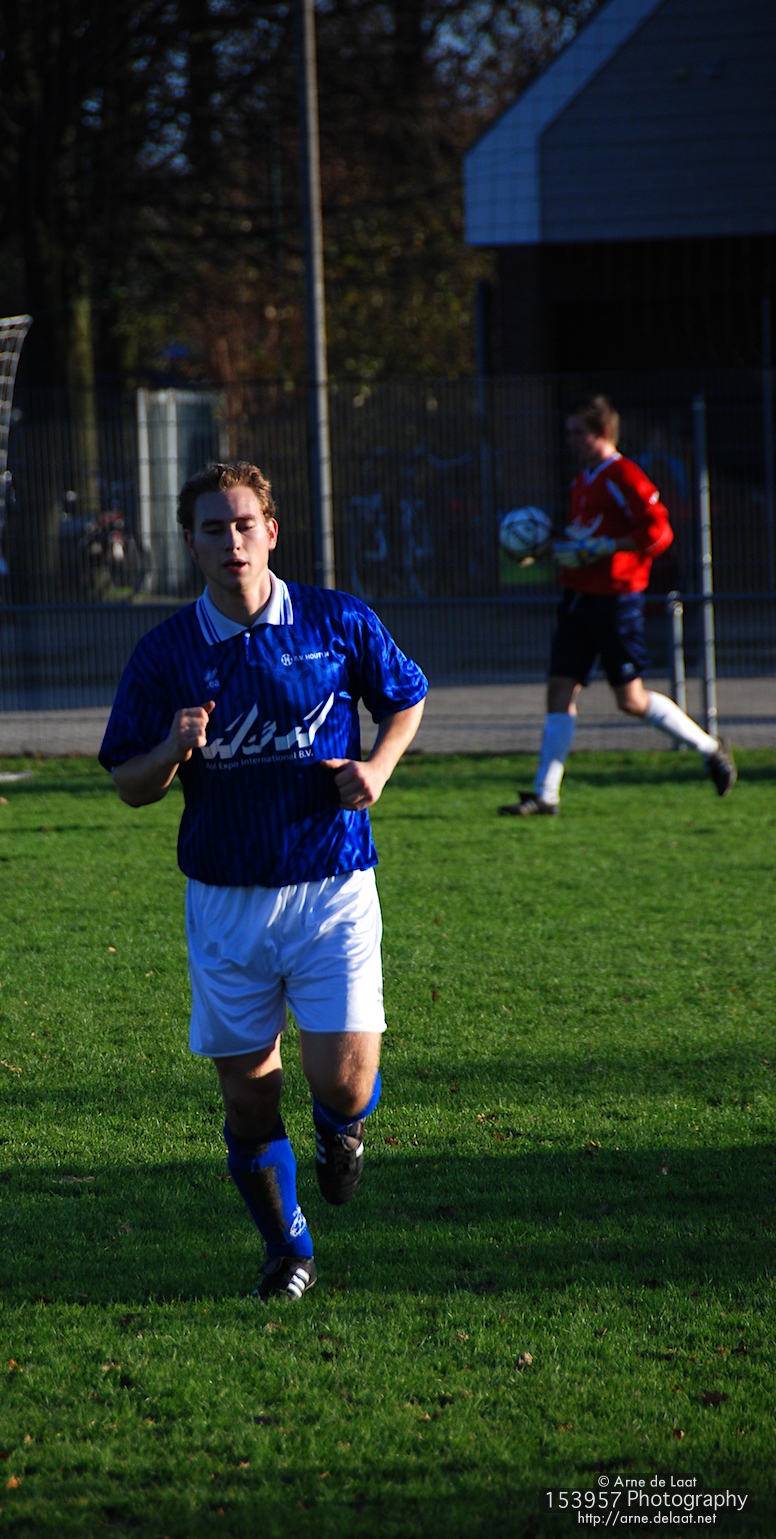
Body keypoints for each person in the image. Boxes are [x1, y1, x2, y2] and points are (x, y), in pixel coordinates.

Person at [98, 462, 427, 1302]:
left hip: (333, 884)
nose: (232, 541)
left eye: (245, 524)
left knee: (343, 1082)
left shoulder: (334, 619)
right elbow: (129, 782)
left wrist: (378, 767)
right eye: (214, 528)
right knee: (249, 1101)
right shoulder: (166, 651)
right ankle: (288, 1250)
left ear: (271, 531)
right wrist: (171, 750)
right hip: (225, 899)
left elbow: (405, 695)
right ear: (191, 543)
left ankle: (340, 1129)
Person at [498, 396, 736, 816]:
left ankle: (710, 748)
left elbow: (658, 533)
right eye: (568, 432)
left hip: (615, 601)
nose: (570, 440)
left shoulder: (623, 475)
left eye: (578, 433)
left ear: (603, 433)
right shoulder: (583, 480)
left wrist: (607, 546)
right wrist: (548, 550)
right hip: (577, 597)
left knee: (630, 700)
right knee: (559, 689)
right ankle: (545, 794)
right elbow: (585, 542)